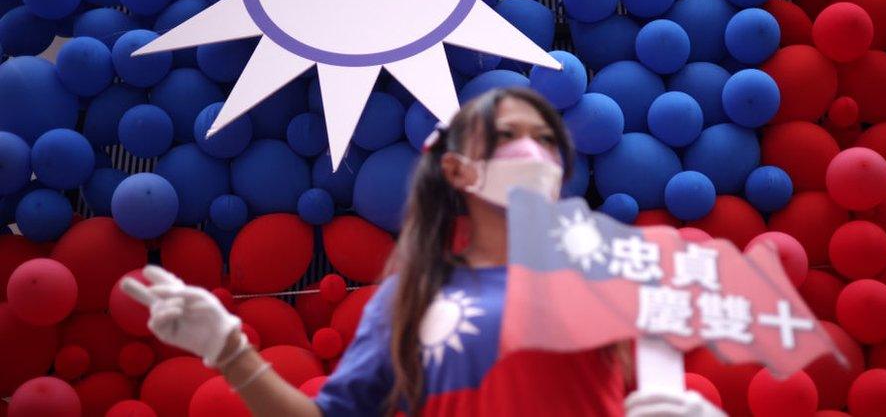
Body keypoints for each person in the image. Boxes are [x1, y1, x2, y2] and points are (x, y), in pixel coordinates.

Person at [123, 87, 721, 416]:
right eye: (507, 136)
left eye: (545, 139)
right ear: (457, 169)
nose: (532, 151)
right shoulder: (409, 300)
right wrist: (229, 351)